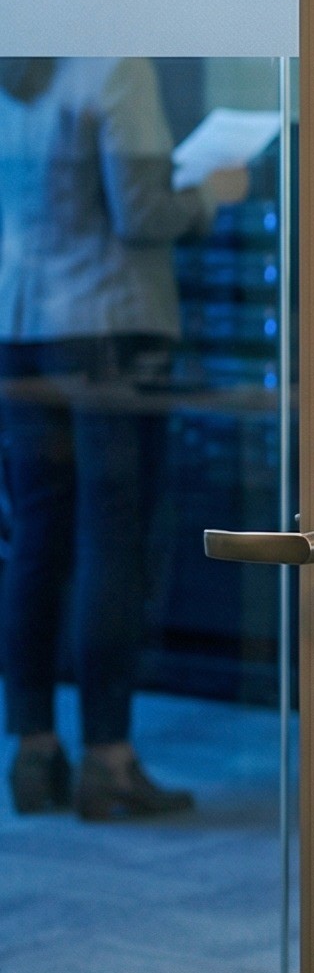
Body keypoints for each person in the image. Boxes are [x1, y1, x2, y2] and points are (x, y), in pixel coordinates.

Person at [0, 58, 248, 820]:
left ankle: (34, 753)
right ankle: (109, 761)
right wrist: (216, 190)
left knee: (37, 538)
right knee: (116, 538)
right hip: (108, 329)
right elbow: (140, 211)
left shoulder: (17, 60)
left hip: (19, 328)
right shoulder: (114, 66)